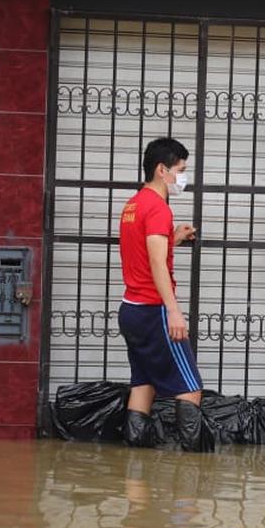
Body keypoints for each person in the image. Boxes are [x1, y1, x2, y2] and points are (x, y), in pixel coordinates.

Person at [117, 137, 213, 453]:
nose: (182, 177)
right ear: (162, 170)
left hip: (131, 309)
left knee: (143, 385)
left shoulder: (132, 205)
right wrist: (173, 310)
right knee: (190, 388)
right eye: (180, 170)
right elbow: (156, 262)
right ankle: (193, 479)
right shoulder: (158, 208)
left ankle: (135, 473)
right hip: (153, 309)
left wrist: (173, 238)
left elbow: (145, 253)